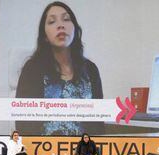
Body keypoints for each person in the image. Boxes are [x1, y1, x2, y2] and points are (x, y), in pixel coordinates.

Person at [15, 1, 104, 136]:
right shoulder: (32, 70)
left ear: (75, 28)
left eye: (66, 19)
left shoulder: (91, 70)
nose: (61, 25)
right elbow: (24, 126)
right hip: (45, 152)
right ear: (44, 35)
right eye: (52, 22)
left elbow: (98, 125)